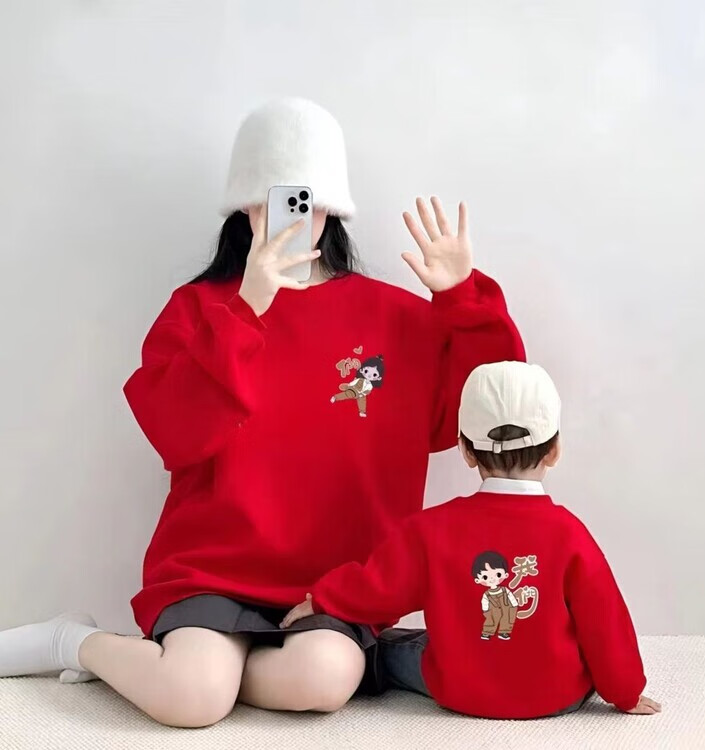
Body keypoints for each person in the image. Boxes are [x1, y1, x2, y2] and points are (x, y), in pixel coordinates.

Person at [0, 98, 525, 726]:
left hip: (337, 581)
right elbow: (175, 433)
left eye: (308, 200)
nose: (292, 216)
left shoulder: (395, 316)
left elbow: (490, 413)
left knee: (323, 679)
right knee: (191, 701)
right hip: (213, 568)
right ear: (244, 207)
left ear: (332, 208)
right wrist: (246, 309)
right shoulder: (199, 309)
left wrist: (463, 300)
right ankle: (73, 641)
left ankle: (211, 666)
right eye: (271, 199)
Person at [281, 361, 662, 720]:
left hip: (461, 691)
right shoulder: (570, 533)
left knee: (395, 646)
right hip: (559, 695)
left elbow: (377, 588)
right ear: (554, 451)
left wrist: (324, 598)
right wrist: (625, 692)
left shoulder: (432, 529)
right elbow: (606, 624)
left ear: (465, 450)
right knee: (579, 643)